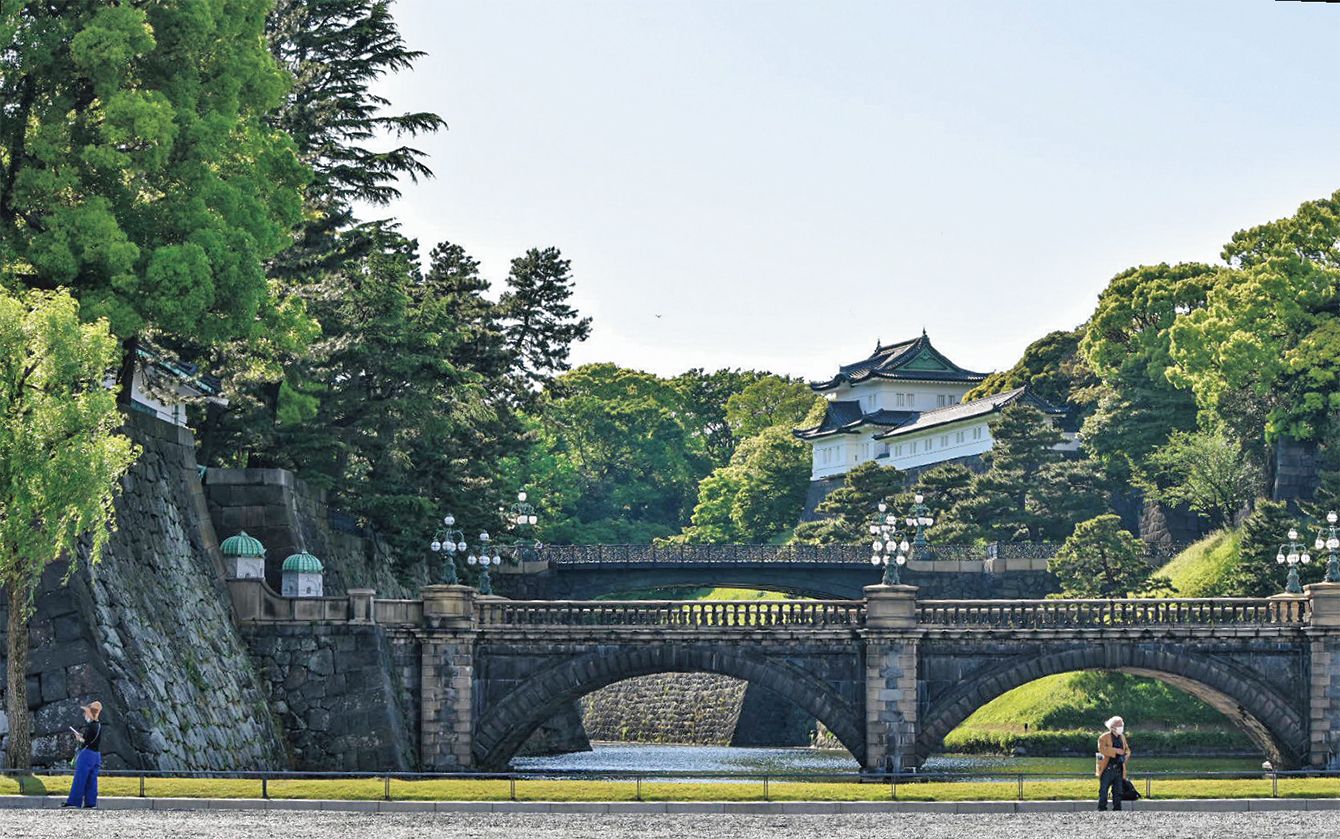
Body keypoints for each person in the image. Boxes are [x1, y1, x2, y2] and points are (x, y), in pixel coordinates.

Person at [63, 700, 103, 809]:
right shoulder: (98, 725)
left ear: (90, 713)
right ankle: (90, 802)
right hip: (96, 755)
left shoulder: (91, 726)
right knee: (92, 780)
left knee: (80, 778)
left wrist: (79, 738)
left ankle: (74, 801)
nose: (85, 714)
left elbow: (86, 742)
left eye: (86, 712)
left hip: (87, 754)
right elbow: (92, 739)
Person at [1096, 715, 1131, 811]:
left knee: (1118, 791)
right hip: (1107, 768)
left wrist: (1125, 755)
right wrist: (1115, 751)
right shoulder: (1103, 737)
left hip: (1119, 768)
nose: (1121, 727)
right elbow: (1102, 749)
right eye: (1119, 725)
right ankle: (1102, 808)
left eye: (1122, 724)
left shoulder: (1122, 737)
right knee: (1103, 790)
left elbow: (1127, 749)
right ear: (1113, 726)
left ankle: (1117, 809)